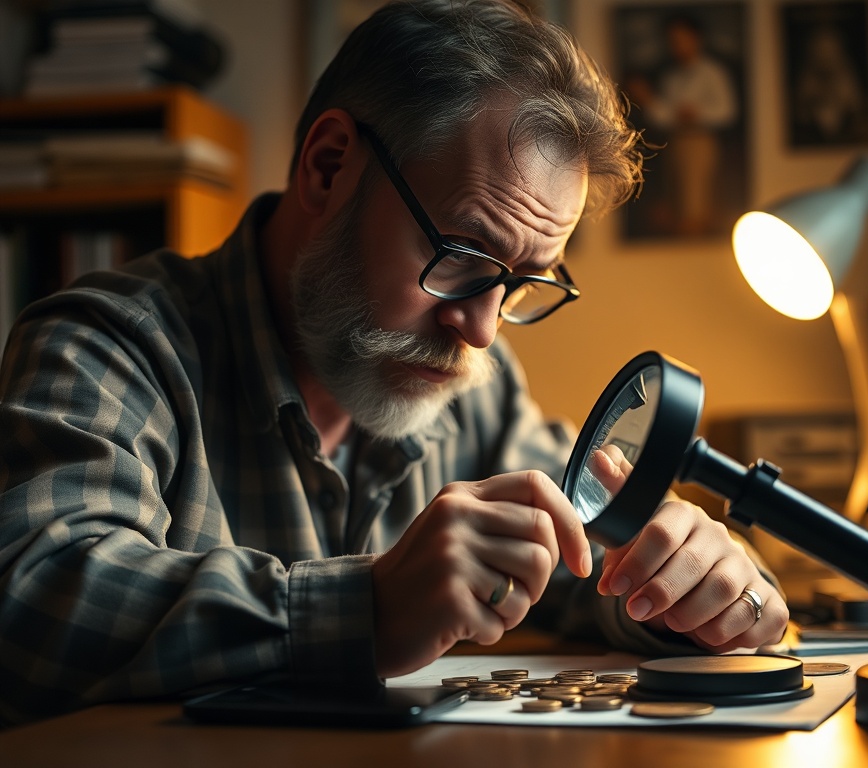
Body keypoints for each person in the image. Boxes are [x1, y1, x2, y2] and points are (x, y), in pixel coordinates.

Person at [0, 0, 787, 725]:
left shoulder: (474, 396)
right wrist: (367, 610)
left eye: (522, 282)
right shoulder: (109, 345)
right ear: (328, 165)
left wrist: (690, 586)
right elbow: (33, 600)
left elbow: (586, 563)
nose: (480, 330)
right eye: (461, 253)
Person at [627, 12, 738, 236]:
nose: (677, 46)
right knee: (676, 204)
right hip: (674, 142)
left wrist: (698, 114)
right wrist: (648, 100)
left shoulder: (712, 73)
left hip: (699, 140)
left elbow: (727, 111)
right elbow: (666, 117)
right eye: (672, 41)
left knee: (695, 204)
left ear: (696, 38)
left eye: (681, 40)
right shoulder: (672, 77)